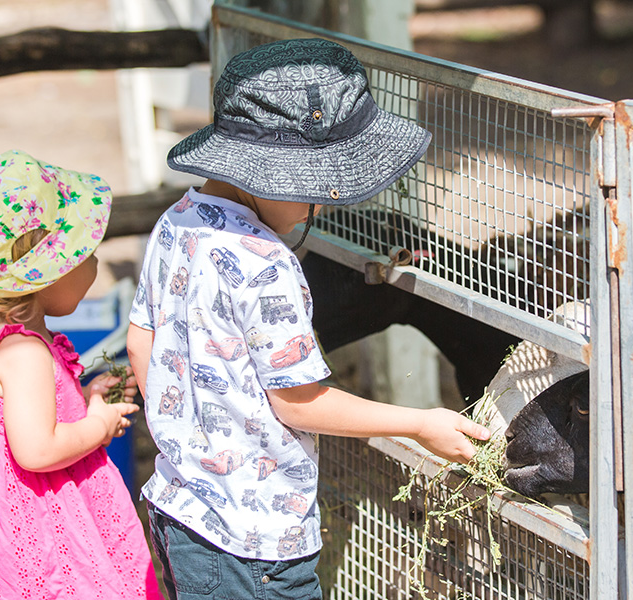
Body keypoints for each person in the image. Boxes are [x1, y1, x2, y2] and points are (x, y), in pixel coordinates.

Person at [126, 38, 490, 599]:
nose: (317, 208)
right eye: (312, 190)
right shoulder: (266, 264)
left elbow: (141, 341)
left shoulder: (175, 223)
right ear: (266, 173)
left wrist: (188, 433)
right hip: (258, 545)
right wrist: (419, 424)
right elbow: (297, 400)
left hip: (183, 512)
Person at [0, 150, 162, 599]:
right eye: (84, 254)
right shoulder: (25, 352)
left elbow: (11, 414)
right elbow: (36, 450)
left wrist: (80, 396)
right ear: (46, 274)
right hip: (35, 525)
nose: (95, 265)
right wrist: (97, 425)